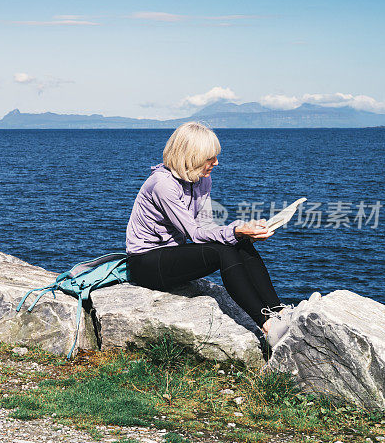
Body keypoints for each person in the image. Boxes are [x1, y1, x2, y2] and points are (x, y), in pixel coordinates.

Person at [125, 122, 293, 345]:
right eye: (209, 158)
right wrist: (235, 229)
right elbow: (194, 233)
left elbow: (207, 227)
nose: (216, 162)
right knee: (224, 253)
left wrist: (243, 232)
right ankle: (267, 326)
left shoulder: (202, 180)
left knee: (239, 245)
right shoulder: (162, 184)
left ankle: (277, 311)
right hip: (145, 263)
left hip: (172, 255)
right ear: (191, 156)